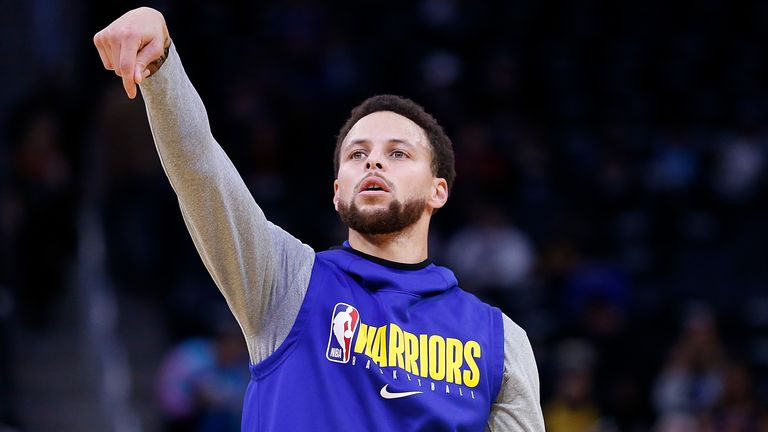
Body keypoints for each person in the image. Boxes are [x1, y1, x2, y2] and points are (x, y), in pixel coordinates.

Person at [93, 7, 544, 431]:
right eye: (358, 154)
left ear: (437, 190)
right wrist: (162, 67)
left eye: (398, 153)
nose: (374, 164)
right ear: (336, 192)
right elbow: (202, 173)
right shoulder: (288, 283)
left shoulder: (500, 342)